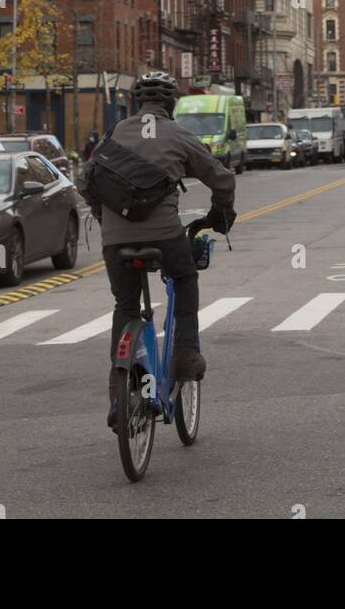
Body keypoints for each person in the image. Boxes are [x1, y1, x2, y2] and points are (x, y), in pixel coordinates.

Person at [82, 71, 236, 427]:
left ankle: (119, 394)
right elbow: (222, 178)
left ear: (138, 103)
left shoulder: (115, 132)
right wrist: (220, 214)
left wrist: (106, 221)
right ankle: (184, 353)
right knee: (184, 278)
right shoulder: (179, 135)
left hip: (116, 240)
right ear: (171, 104)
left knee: (125, 306)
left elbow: (89, 181)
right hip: (165, 237)